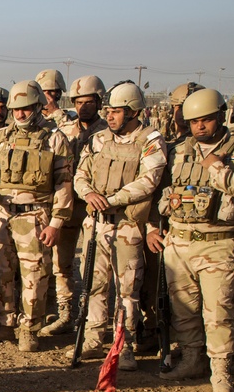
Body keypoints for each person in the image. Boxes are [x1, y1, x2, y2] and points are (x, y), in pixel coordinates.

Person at [68, 81, 166, 370]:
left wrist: (112, 200)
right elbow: (80, 174)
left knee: (127, 290)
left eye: (117, 111)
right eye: (108, 111)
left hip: (127, 225)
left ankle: (124, 345)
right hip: (96, 224)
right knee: (93, 285)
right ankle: (93, 338)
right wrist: (89, 194)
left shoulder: (150, 140)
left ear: (134, 112)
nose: (109, 116)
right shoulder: (99, 140)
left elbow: (149, 181)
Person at [147, 88, 234, 392]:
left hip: (218, 243)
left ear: (221, 116)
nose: (200, 126)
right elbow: (157, 191)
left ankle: (221, 370)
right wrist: (151, 227)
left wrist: (216, 166)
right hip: (178, 242)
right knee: (183, 309)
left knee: (219, 312)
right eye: (194, 121)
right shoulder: (177, 151)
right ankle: (192, 359)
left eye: (207, 119)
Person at [0, 80, 74, 351]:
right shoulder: (0, 137)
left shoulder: (54, 139)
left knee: (35, 276)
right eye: (16, 109)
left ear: (38, 106)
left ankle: (30, 328)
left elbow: (64, 184)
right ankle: (4, 324)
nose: (20, 114)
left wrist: (56, 223)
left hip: (34, 216)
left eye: (26, 108)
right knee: (0, 272)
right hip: (1, 214)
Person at [41, 75, 108, 336]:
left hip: (95, 206)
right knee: (61, 262)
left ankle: (89, 315)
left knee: (92, 265)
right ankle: (65, 313)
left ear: (99, 102)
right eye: (79, 102)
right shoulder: (66, 130)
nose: (83, 107)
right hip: (68, 203)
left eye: (89, 102)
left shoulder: (108, 133)